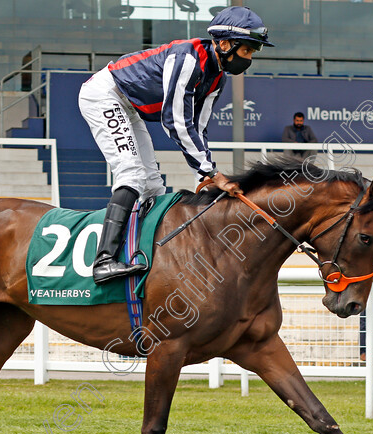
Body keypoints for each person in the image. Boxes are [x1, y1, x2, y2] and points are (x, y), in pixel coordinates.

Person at [78, 6, 273, 284]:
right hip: (104, 95)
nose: (250, 58)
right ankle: (104, 261)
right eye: (248, 50)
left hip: (129, 106)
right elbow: (175, 121)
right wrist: (212, 173)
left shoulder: (217, 78)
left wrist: (204, 176)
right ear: (226, 43)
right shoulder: (188, 58)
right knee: (132, 175)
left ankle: (143, 254)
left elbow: (199, 128)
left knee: (154, 187)